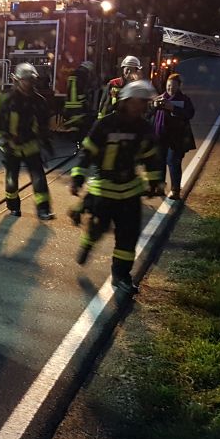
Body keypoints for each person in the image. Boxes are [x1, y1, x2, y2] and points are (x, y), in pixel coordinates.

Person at [70, 80, 163, 296]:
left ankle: (121, 276)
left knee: (128, 236)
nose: (143, 107)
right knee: (98, 228)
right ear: (127, 101)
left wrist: (155, 180)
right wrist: (77, 177)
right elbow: (88, 152)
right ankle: (88, 242)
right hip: (104, 188)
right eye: (140, 102)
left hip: (130, 190)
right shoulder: (105, 124)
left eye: (145, 103)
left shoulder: (143, 128)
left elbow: (152, 157)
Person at [0, 63, 55, 220]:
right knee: (11, 180)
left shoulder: (39, 101)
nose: (28, 83)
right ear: (17, 81)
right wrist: (4, 142)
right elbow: (0, 125)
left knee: (39, 178)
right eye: (25, 80)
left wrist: (45, 143)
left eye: (31, 80)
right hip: (11, 147)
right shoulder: (8, 101)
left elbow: (43, 125)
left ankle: (43, 209)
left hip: (31, 146)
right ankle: (13, 207)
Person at [153, 73, 197, 200]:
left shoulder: (184, 100)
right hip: (161, 136)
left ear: (179, 86)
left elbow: (189, 114)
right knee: (160, 162)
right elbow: (149, 113)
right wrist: (154, 106)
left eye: (173, 86)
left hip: (177, 138)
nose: (170, 89)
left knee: (173, 162)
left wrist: (173, 108)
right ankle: (160, 188)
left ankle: (175, 190)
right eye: (168, 86)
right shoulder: (160, 98)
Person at [98, 55, 142, 119]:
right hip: (114, 120)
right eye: (127, 69)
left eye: (132, 69)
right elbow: (104, 104)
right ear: (123, 69)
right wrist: (101, 120)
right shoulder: (113, 83)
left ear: (136, 71)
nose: (129, 72)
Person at [63, 60, 94, 140]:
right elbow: (81, 89)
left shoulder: (73, 74)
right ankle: (77, 137)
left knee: (73, 120)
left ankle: (72, 135)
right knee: (80, 119)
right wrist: (85, 101)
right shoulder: (83, 75)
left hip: (69, 102)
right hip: (78, 103)